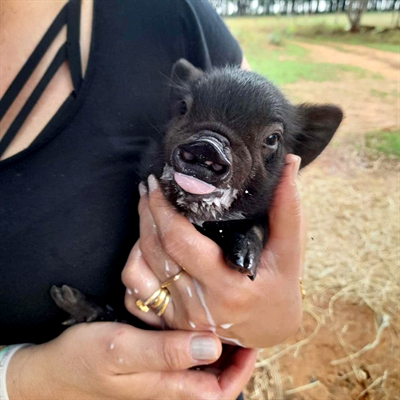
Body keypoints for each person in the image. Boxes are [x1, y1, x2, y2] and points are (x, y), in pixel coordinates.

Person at [0, 0, 304, 398]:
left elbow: (279, 254)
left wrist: (271, 310)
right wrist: (20, 379)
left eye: (267, 139)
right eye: (187, 111)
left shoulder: (177, 17)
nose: (211, 147)